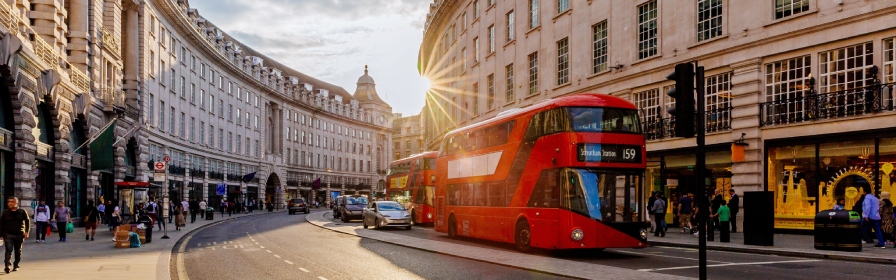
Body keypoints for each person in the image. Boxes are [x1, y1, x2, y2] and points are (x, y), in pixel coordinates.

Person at [0, 197, 30, 273]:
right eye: (9, 202)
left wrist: (26, 231)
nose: (10, 203)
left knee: (18, 250)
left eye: (12, 202)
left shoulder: (22, 211)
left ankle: (16, 265)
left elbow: (27, 221)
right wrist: (0, 234)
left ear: (16, 203)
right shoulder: (5, 212)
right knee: (8, 250)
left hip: (19, 234)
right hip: (8, 234)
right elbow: (1, 223)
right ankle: (7, 265)